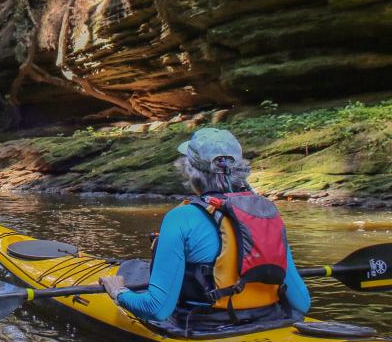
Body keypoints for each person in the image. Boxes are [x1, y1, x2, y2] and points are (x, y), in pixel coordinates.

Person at [98, 128, 310, 329]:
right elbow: (302, 303)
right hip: (270, 318)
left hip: (206, 327)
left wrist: (119, 292)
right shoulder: (267, 214)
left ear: (190, 171)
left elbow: (157, 309)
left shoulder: (181, 218)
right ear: (241, 170)